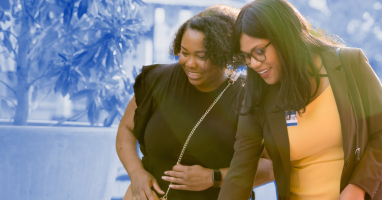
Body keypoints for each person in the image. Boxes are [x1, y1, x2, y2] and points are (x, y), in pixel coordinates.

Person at [217, 0, 382, 200]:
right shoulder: (258, 96)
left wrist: (358, 187)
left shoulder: (349, 65)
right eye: (246, 56)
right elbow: (240, 172)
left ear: (285, 38)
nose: (253, 63)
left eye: (259, 51)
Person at [116, 5, 274, 200]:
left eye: (201, 56)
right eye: (184, 52)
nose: (190, 63)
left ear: (224, 55)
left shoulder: (250, 97)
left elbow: (271, 165)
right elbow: (126, 129)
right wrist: (136, 174)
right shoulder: (157, 79)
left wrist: (214, 177)